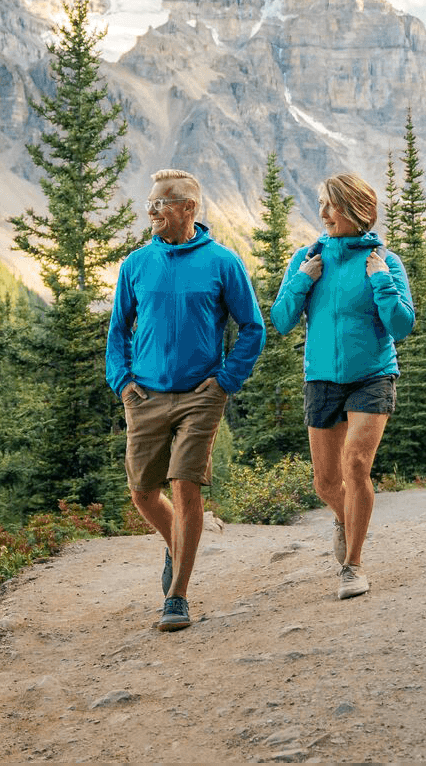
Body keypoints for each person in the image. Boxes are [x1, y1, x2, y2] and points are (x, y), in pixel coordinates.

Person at [106, 168, 265, 631]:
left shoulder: (222, 262)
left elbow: (251, 328)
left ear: (188, 209)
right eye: (150, 202)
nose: (151, 211)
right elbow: (118, 330)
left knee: (185, 486)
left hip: (201, 395)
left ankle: (177, 596)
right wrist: (123, 383)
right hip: (146, 394)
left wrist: (224, 382)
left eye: (161, 203)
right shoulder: (135, 264)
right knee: (142, 493)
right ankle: (176, 542)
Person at [270, 173, 414, 599]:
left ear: (360, 211)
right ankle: (344, 516)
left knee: (356, 465)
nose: (323, 213)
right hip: (321, 379)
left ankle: (353, 565)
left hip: (372, 375)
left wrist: (381, 280)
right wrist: (303, 279)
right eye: (321, 204)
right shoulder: (308, 257)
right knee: (325, 482)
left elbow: (402, 325)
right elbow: (280, 320)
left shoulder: (385, 260)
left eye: (331, 205)